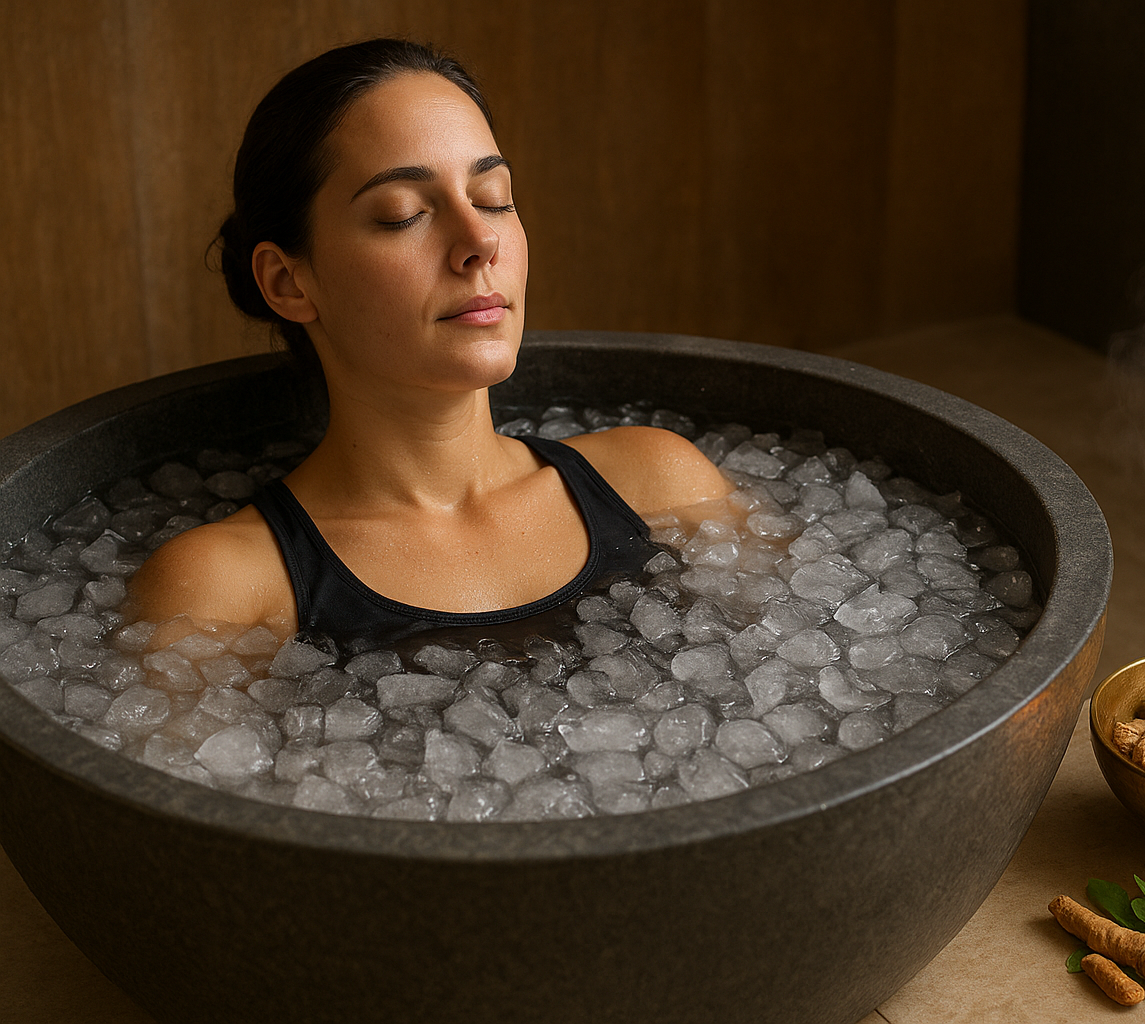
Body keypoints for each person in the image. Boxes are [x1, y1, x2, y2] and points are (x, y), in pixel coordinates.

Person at [129, 39, 731, 642]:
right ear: (289, 282)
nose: (480, 241)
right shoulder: (221, 592)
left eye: (493, 200)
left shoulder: (661, 487)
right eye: (403, 214)